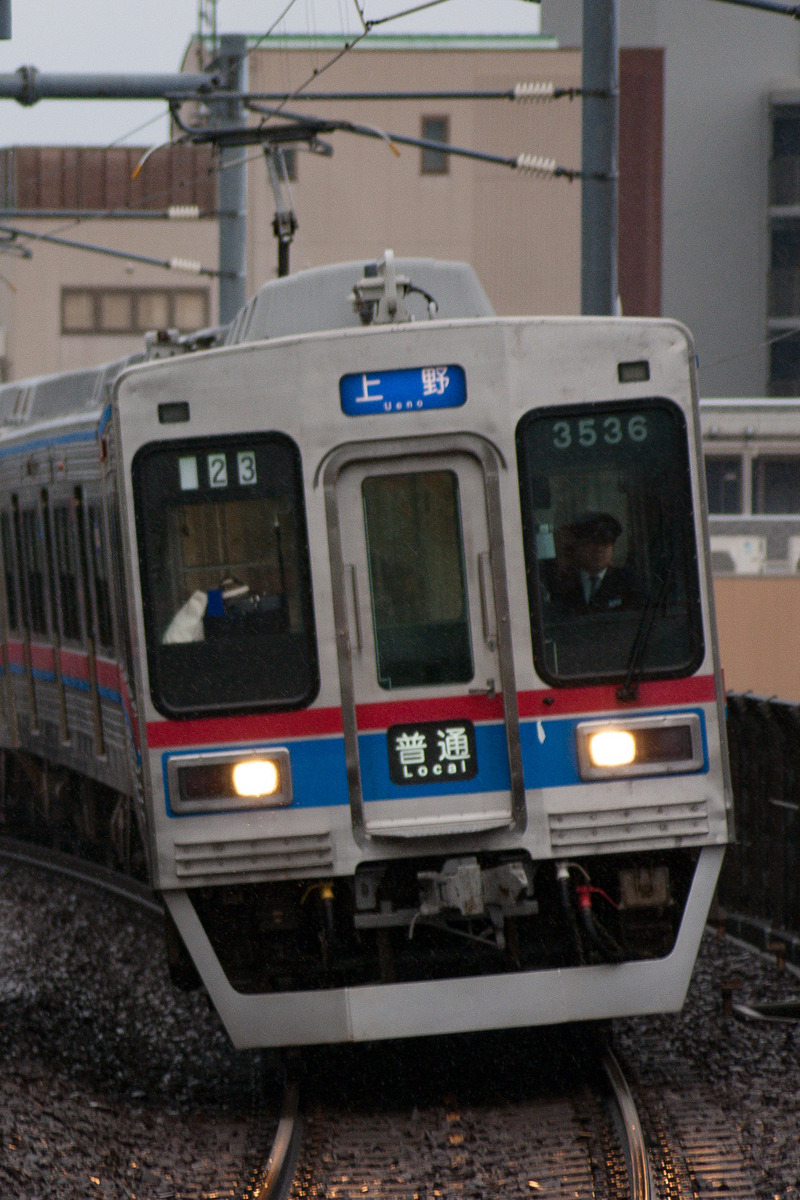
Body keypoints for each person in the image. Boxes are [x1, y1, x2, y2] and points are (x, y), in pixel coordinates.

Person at [540, 512, 645, 616]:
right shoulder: (564, 583)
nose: (599, 549)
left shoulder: (627, 582)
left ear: (612, 548)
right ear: (578, 547)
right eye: (592, 543)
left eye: (605, 543)